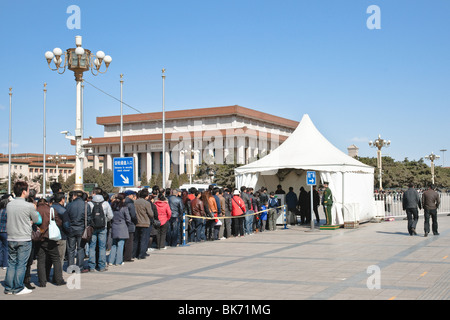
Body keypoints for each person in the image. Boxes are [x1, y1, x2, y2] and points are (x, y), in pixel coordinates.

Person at [4, 181, 42, 295]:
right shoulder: (28, 205)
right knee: (21, 264)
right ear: (24, 191)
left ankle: (9, 288)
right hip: (23, 238)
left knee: (12, 263)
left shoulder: (9, 205)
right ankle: (18, 287)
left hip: (11, 237)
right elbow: (36, 219)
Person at [35, 198, 66, 287]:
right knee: (56, 258)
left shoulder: (36, 210)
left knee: (41, 259)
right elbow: (59, 222)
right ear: (47, 203)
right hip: (50, 236)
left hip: (39, 237)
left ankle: (42, 282)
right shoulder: (51, 210)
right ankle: (59, 279)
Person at [87, 187, 113, 272]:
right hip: (103, 228)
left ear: (94, 193)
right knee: (102, 247)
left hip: (92, 227)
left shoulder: (90, 204)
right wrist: (105, 221)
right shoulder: (105, 203)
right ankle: (102, 266)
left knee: (92, 246)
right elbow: (110, 216)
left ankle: (91, 266)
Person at [66, 190, 92, 272]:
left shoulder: (69, 205)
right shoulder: (86, 205)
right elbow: (88, 218)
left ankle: (70, 267)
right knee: (81, 248)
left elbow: (66, 218)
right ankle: (80, 267)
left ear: (74, 196)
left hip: (71, 229)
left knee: (71, 249)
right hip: (81, 229)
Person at [109, 193, 132, 266]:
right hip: (122, 226)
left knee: (114, 245)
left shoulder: (112, 206)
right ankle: (118, 261)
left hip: (114, 226)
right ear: (123, 199)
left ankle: (111, 261)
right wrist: (127, 224)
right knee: (121, 244)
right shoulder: (124, 208)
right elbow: (128, 219)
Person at [51, 192, 70, 271]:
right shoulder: (63, 210)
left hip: (50, 235)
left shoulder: (50, 208)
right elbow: (66, 225)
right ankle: (57, 275)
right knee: (60, 257)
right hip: (61, 236)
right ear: (62, 199)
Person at [133, 188, 154, 258]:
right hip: (145, 223)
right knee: (144, 239)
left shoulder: (135, 202)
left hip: (137, 223)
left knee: (136, 239)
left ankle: (135, 253)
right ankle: (142, 254)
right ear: (146, 196)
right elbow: (151, 214)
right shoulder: (147, 203)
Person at [123, 190, 137, 262]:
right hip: (130, 224)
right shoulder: (131, 204)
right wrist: (136, 221)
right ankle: (127, 257)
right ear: (130, 195)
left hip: (122, 224)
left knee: (123, 241)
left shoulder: (122, 202)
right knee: (129, 242)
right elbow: (133, 215)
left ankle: (122, 255)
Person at [0, 194, 11, 271]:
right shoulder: (7, 212)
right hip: (5, 230)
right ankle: (5, 264)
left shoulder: (0, 211)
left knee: (0, 247)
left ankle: (0, 262)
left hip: (0, 230)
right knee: (6, 248)